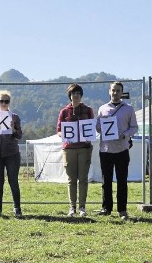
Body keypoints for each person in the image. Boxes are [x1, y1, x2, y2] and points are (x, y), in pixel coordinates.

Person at [96, 81, 138, 221]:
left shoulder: (129, 109)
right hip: (106, 149)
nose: (115, 93)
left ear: (122, 92)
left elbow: (134, 128)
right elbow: (97, 127)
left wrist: (125, 134)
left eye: (118, 90)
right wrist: (101, 126)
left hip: (122, 149)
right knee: (106, 180)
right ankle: (106, 208)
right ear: (109, 91)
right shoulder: (102, 109)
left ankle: (122, 210)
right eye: (113, 90)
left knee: (122, 181)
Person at [57, 83, 94, 217]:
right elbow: (59, 131)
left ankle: (82, 207)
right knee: (71, 179)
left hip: (84, 148)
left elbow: (92, 127)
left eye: (78, 93)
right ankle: (72, 207)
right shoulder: (64, 112)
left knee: (83, 179)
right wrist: (66, 136)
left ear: (81, 95)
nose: (76, 96)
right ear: (70, 96)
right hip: (69, 149)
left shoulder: (88, 110)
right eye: (73, 93)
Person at [0, 90, 23, 217]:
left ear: (9, 102)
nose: (4, 103)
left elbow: (19, 136)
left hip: (12, 153)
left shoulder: (14, 117)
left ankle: (17, 208)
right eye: (2, 101)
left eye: (6, 101)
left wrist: (13, 128)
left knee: (13, 181)